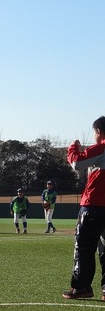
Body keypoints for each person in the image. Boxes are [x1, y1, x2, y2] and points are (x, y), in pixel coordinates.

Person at [63, 116, 105, 299]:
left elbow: (76, 163)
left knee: (84, 246)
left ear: (98, 131)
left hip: (94, 205)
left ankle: (82, 287)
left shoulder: (102, 147)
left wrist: (72, 148)